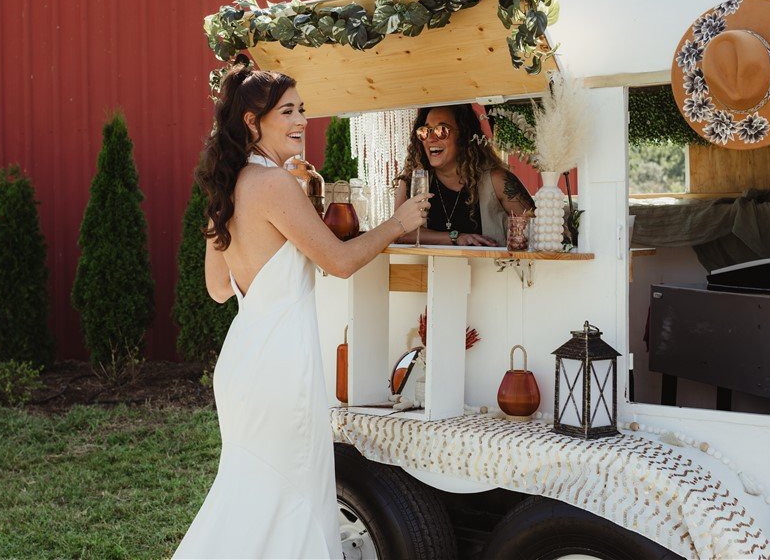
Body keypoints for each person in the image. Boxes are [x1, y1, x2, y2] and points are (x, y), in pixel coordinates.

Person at [174, 63, 431, 559]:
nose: (301, 121)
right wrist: (397, 223)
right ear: (253, 122)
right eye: (288, 111)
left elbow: (217, 288)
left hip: (245, 363)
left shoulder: (228, 186)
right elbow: (338, 261)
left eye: (303, 111)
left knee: (255, 502)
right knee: (285, 503)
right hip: (281, 370)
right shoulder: (272, 185)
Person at [394, 104, 535, 246]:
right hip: (429, 268)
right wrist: (456, 238)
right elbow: (398, 232)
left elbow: (537, 230)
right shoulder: (413, 180)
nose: (430, 138)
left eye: (441, 130)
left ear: (464, 135)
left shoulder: (498, 180)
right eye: (425, 131)